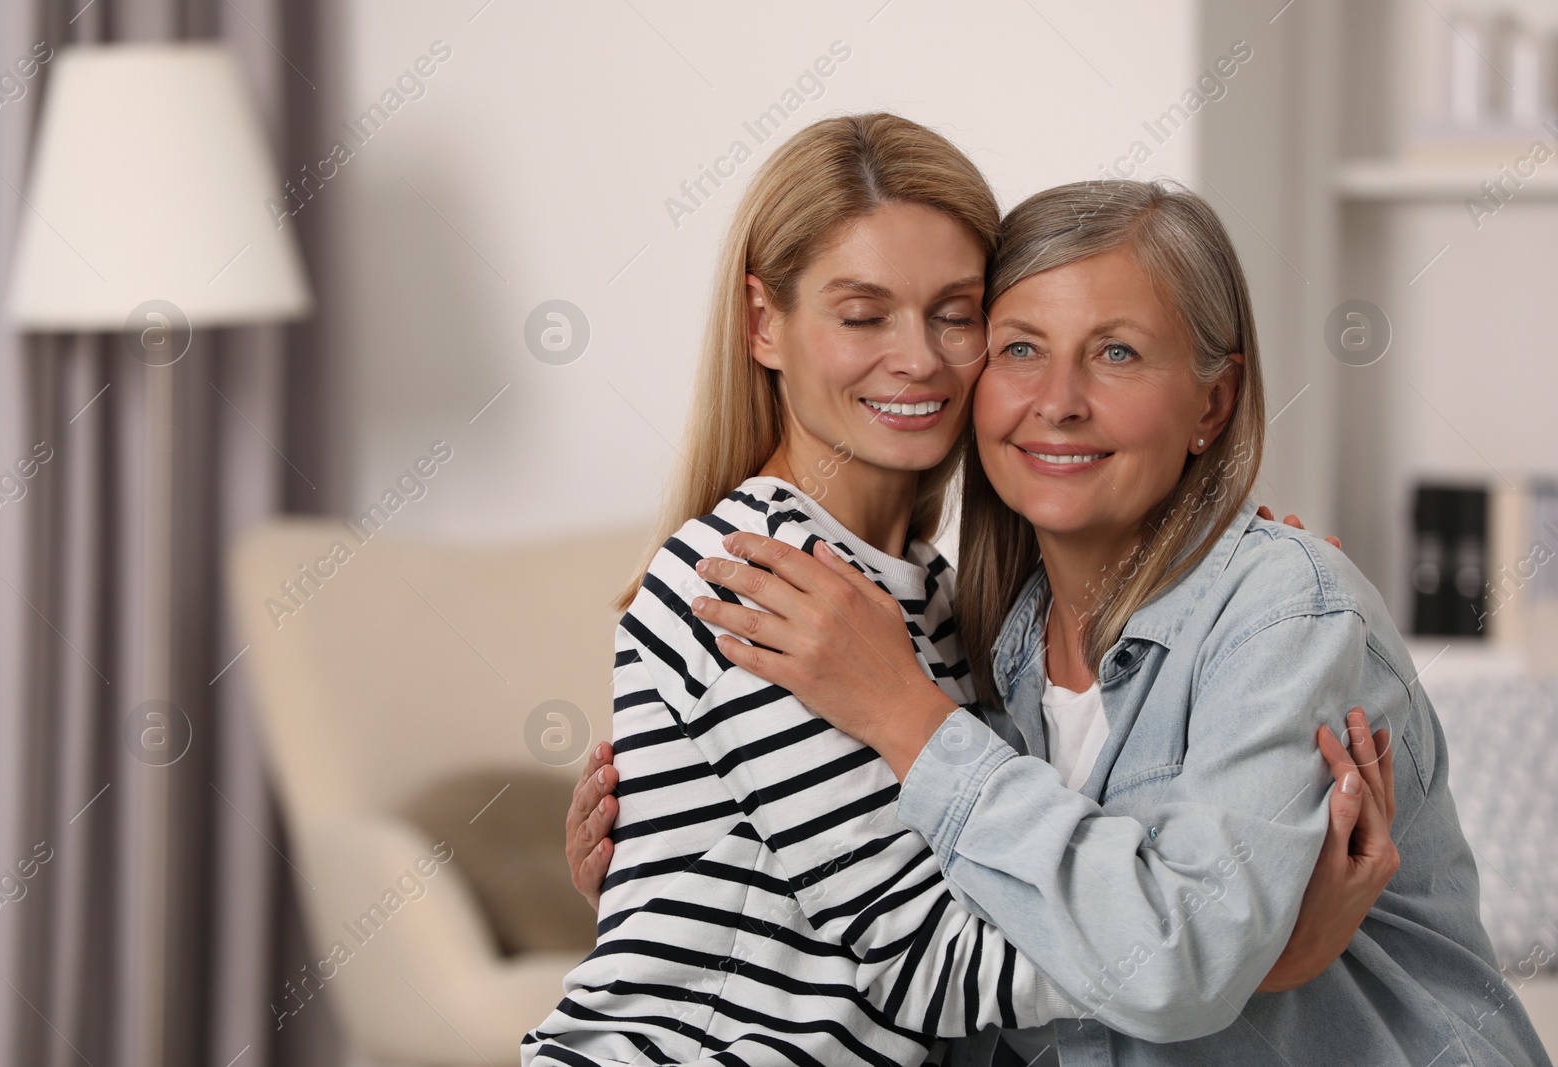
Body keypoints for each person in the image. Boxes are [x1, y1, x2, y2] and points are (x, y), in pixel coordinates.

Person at [535, 117, 1395, 1067]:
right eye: (863, 315)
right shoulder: (763, 578)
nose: (918, 358)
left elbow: (978, 872)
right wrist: (1249, 955)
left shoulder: (946, 605)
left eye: (956, 315)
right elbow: (932, 961)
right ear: (762, 323)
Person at [645, 178, 1551, 1065]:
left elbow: (1170, 962)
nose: (1060, 399)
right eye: (1020, 348)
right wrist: (669, 839)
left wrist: (908, 717)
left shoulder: (1283, 612)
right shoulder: (979, 635)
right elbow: (909, 930)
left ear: (1213, 402)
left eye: (1117, 352)